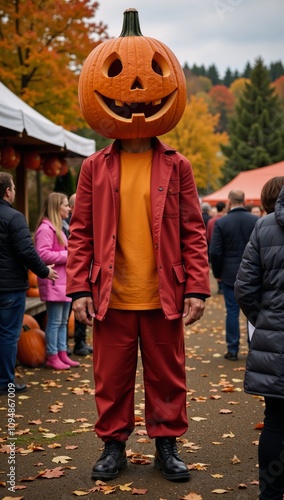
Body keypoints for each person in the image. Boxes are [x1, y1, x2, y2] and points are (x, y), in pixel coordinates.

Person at [234, 176, 284, 500]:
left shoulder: (265, 227)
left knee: (276, 420)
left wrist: (263, 320)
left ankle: (270, 493)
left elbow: (245, 288)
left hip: (276, 339)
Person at [0, 172, 58, 395]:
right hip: (9, 287)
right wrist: (45, 272)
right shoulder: (14, 217)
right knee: (8, 334)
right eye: (13, 187)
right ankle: (6, 382)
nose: (14, 191)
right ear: (8, 191)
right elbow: (26, 252)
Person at [210, 190, 258, 361]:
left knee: (232, 311)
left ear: (229, 201)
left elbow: (215, 252)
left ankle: (233, 348)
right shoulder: (256, 221)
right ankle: (254, 346)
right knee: (253, 312)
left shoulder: (222, 223)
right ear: (244, 201)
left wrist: (217, 273)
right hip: (253, 272)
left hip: (230, 273)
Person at [35, 192, 79, 370]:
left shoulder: (59, 228)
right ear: (56, 207)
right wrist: (68, 255)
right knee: (54, 321)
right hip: (54, 281)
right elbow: (42, 254)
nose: (69, 208)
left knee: (62, 321)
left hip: (63, 282)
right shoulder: (45, 229)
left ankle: (62, 352)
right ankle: (52, 356)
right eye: (65, 205)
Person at [66, 193, 93, 357]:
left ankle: (80, 341)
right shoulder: (66, 224)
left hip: (85, 274)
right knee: (65, 317)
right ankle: (70, 345)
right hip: (65, 279)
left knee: (83, 312)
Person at [206, 201, 226, 295]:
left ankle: (219, 286)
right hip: (225, 247)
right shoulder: (225, 219)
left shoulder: (211, 221)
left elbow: (208, 235)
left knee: (216, 265)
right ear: (224, 208)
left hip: (213, 246)